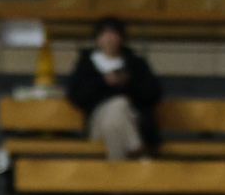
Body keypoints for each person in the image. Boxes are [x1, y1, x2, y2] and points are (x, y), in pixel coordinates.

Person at [65, 17, 164, 161]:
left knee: (115, 120)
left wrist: (127, 83)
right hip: (98, 121)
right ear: (98, 38)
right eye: (104, 34)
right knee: (118, 106)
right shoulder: (86, 64)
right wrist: (103, 82)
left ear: (122, 37)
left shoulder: (136, 64)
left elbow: (152, 94)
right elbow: (76, 95)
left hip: (131, 120)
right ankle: (137, 150)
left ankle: (118, 170)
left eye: (113, 34)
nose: (109, 39)